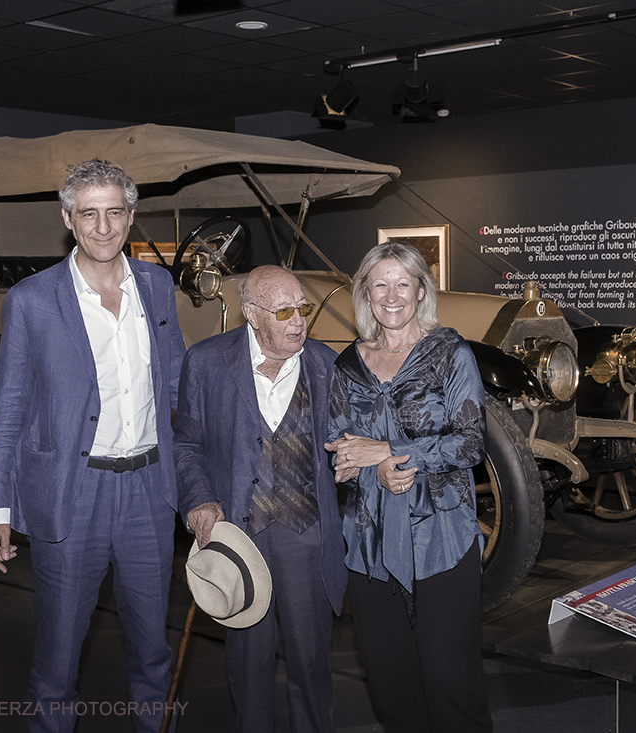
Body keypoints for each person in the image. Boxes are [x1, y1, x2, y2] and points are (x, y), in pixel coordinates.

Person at [0, 158, 186, 733]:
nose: (102, 226)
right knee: (57, 665)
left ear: (130, 216)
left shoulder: (156, 286)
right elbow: (9, 411)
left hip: (149, 492)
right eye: (88, 213)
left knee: (153, 656)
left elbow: (177, 386)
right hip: (73, 495)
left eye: (114, 212)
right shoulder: (32, 300)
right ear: (68, 218)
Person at [325, 241, 493, 733]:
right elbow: (340, 446)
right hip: (370, 540)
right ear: (366, 294)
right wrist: (366, 465)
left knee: (451, 682)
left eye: (403, 283)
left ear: (421, 291)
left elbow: (470, 443)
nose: (392, 295)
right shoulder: (348, 365)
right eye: (380, 284)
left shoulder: (451, 354)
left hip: (441, 536)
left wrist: (388, 453)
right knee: (390, 685)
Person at [173, 264, 347, 733]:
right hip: (240, 539)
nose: (299, 322)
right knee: (248, 670)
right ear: (252, 313)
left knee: (311, 666)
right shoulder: (207, 362)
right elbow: (186, 445)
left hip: (306, 538)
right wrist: (199, 499)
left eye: (303, 309)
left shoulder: (325, 365)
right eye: (284, 311)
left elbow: (347, 442)